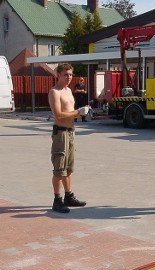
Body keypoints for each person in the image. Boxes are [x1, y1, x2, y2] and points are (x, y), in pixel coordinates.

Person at [48, 63, 90, 213]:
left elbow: (70, 112)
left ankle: (68, 196)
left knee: (69, 168)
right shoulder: (55, 92)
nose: (69, 77)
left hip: (71, 132)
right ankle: (57, 200)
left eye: (71, 75)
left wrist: (81, 112)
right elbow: (58, 116)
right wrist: (78, 112)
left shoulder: (68, 91)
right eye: (65, 74)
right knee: (59, 169)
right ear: (58, 75)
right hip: (61, 133)